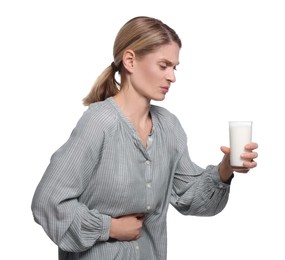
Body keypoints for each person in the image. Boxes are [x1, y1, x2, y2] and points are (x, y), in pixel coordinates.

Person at [31, 16, 258, 260]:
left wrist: (225, 169)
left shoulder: (169, 127)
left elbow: (188, 198)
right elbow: (48, 201)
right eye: (163, 66)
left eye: (174, 67)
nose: (172, 77)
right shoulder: (99, 123)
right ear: (130, 61)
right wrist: (110, 228)